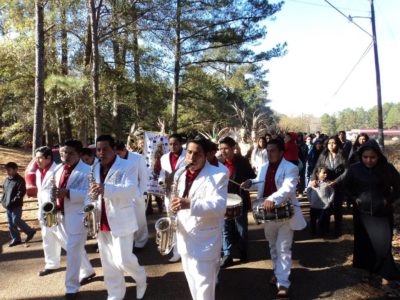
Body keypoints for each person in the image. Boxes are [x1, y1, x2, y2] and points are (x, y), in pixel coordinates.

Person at [242, 138, 306, 297]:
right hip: (268, 214)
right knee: (272, 246)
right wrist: (250, 183)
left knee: (283, 248)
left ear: (281, 152)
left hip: (285, 213)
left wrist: (273, 199)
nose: (269, 153)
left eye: (273, 151)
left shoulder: (291, 168)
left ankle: (283, 283)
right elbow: (260, 182)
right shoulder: (264, 167)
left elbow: (288, 188)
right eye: (268, 151)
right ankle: (277, 272)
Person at [171, 137, 229, 300]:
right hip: (183, 235)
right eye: (189, 152)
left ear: (207, 156)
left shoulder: (219, 173)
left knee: (204, 287)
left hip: (205, 238)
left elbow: (219, 206)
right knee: (193, 284)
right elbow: (175, 195)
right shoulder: (181, 172)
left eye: (197, 154)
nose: (192, 157)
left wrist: (189, 203)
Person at [90, 135, 147, 300]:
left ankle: (140, 276)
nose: (101, 153)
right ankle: (115, 293)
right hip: (101, 219)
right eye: (98, 149)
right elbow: (90, 191)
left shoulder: (128, 165)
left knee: (123, 259)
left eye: (105, 149)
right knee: (107, 262)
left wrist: (105, 189)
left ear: (114, 148)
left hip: (122, 219)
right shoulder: (94, 168)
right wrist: (89, 205)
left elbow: (130, 190)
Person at [344, 140, 400, 294]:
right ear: (361, 157)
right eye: (365, 157)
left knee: (383, 244)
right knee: (365, 244)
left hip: (382, 213)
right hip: (362, 214)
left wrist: (387, 200)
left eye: (373, 157)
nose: (369, 160)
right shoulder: (354, 169)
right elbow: (346, 187)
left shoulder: (387, 168)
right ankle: (367, 272)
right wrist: (354, 199)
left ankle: (386, 277)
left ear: (379, 156)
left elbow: (398, 187)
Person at [53, 140, 96, 299]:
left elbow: (90, 196)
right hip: (62, 215)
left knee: (72, 252)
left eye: (70, 153)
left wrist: (69, 193)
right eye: (63, 152)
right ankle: (88, 271)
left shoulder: (88, 171)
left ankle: (71, 288)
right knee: (75, 249)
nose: (66, 156)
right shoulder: (58, 169)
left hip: (79, 217)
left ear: (79, 154)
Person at [219, 136, 256, 268]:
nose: (223, 151)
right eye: (221, 149)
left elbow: (252, 178)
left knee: (241, 229)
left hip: (240, 200)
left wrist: (247, 183)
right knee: (225, 229)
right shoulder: (218, 163)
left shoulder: (242, 161)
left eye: (226, 148)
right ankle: (227, 255)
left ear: (233, 148)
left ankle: (243, 251)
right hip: (223, 200)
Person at [115, 140, 149, 250]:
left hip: (136, 194)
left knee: (139, 219)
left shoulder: (137, 158)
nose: (117, 156)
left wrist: (140, 194)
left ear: (125, 150)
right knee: (125, 219)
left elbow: (144, 177)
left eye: (119, 153)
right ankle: (128, 242)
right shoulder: (114, 159)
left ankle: (141, 241)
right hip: (120, 193)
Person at [158, 133, 187, 262]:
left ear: (181, 143)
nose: (173, 146)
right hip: (169, 194)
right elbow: (161, 173)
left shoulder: (188, 155)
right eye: (170, 144)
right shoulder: (164, 158)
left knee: (186, 221)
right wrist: (161, 183)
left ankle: (186, 249)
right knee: (172, 222)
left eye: (175, 144)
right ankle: (176, 251)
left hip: (185, 193)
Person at [312, 135, 348, 237]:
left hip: (339, 185)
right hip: (325, 185)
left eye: (334, 143)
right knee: (326, 207)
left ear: (338, 144)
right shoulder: (323, 155)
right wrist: (313, 179)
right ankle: (325, 228)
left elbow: (347, 171)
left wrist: (336, 181)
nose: (331, 145)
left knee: (337, 207)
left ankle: (338, 229)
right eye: (329, 143)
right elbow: (316, 168)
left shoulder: (342, 155)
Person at [1, 162, 36, 247]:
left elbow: (21, 192)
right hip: (8, 205)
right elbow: (4, 191)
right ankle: (16, 238)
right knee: (10, 223)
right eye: (7, 170)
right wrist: (3, 200)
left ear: (16, 170)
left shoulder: (20, 180)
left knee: (16, 220)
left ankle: (30, 231)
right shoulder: (6, 180)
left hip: (16, 205)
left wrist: (13, 200)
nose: (8, 172)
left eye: (9, 170)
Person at [307, 166, 335, 237]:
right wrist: (310, 199)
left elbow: (332, 192)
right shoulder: (312, 183)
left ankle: (323, 232)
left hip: (324, 207)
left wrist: (329, 201)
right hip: (314, 206)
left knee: (323, 220)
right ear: (317, 174)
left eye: (326, 173)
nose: (326, 175)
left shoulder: (328, 183)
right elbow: (308, 191)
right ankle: (313, 232)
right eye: (324, 173)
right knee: (313, 220)